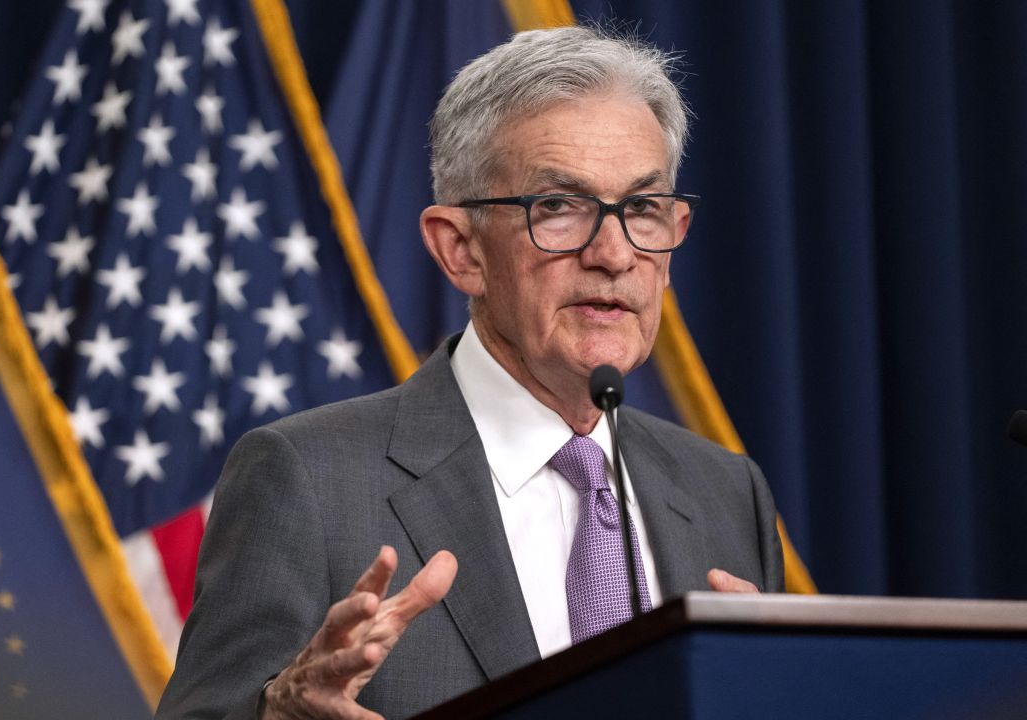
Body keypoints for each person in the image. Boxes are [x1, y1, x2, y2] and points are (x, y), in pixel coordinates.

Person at [156, 25, 783, 720]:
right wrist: (277, 715)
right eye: (559, 207)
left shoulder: (726, 492)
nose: (614, 253)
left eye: (641, 208)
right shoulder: (307, 479)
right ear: (460, 251)